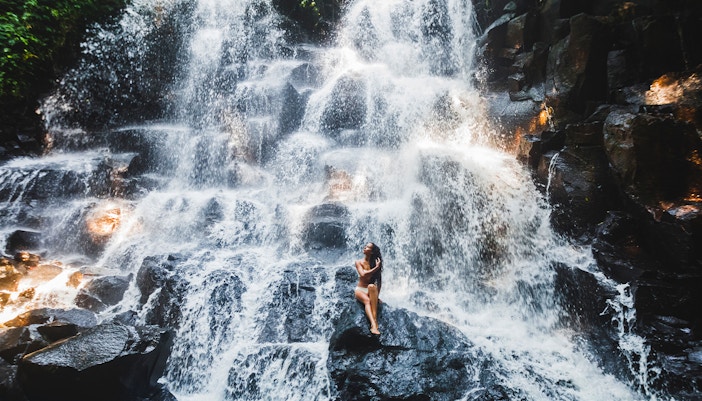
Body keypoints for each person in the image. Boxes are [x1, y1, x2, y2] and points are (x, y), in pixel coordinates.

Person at [354, 242, 382, 335]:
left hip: (370, 290)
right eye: (365, 246)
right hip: (360, 290)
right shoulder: (358, 262)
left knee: (371, 286)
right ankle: (374, 324)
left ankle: (374, 324)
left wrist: (377, 296)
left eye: (367, 247)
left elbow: (379, 281)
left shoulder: (374, 263)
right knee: (367, 301)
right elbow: (363, 274)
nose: (364, 248)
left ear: (372, 252)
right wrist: (376, 268)